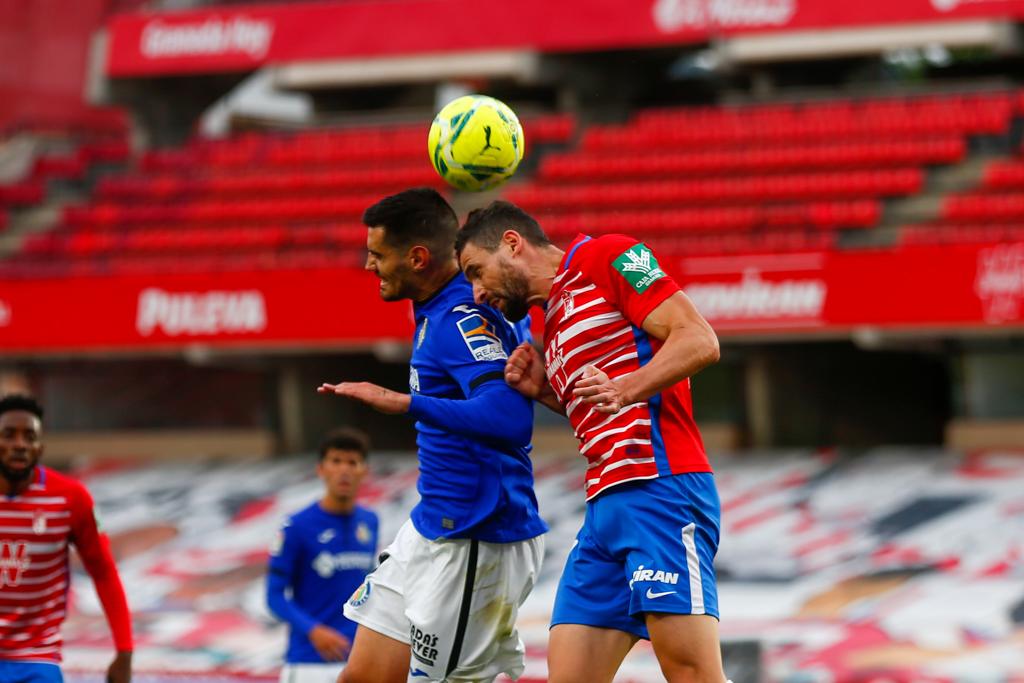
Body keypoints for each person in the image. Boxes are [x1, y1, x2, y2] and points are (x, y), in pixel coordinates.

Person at [456, 201, 727, 683]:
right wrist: (543, 391)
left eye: (477, 271)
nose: (477, 292)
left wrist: (626, 387)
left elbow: (699, 339)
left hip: (661, 489)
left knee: (692, 674)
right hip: (604, 511)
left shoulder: (611, 257)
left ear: (512, 244)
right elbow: (599, 407)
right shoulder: (553, 324)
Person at [317, 187, 547, 683]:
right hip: (430, 529)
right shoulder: (439, 308)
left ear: (417, 258)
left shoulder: (460, 318)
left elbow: (510, 419)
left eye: (377, 255)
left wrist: (404, 403)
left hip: (476, 538)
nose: (368, 266)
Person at [0, 394, 133, 683]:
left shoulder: (69, 498)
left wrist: (124, 651)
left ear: (40, 447)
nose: (20, 445)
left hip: (37, 657)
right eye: (9, 435)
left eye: (29, 437)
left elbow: (104, 572)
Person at [267, 428, 379, 683]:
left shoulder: (370, 522)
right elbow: (274, 596)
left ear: (364, 471)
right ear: (321, 469)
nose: (344, 470)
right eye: (336, 461)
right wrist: (315, 631)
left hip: (356, 660)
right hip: (310, 662)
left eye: (353, 462)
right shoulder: (296, 526)